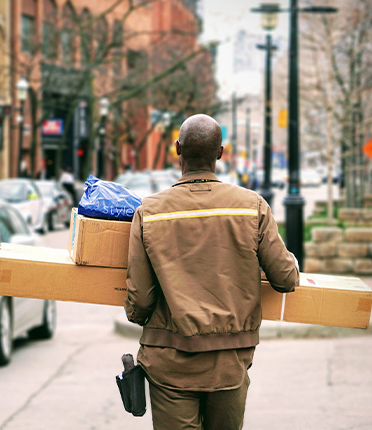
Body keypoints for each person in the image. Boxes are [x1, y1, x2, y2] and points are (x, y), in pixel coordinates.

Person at [125, 114, 299, 430]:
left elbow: (139, 300)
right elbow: (285, 279)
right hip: (229, 363)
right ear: (220, 153)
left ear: (177, 150)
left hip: (169, 362)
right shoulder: (252, 206)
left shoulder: (148, 212)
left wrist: (138, 315)